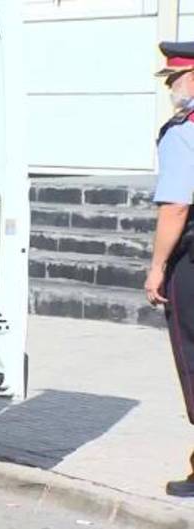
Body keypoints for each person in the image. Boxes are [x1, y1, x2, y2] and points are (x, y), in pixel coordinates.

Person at [146, 41, 194, 499]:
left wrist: (158, 266)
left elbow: (177, 207)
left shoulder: (185, 130)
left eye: (174, 80)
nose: (172, 90)